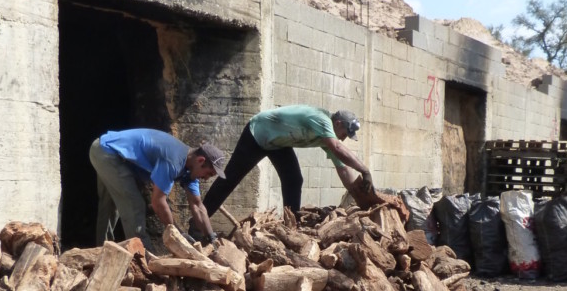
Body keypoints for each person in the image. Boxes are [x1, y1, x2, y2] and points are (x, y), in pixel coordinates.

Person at [201, 105, 374, 217]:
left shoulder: (327, 138)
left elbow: (343, 170)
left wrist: (361, 195)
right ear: (337, 123)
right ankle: (198, 224)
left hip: (279, 143)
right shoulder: (322, 120)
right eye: (344, 134)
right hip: (258, 134)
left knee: (293, 179)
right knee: (230, 178)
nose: (343, 139)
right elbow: (338, 148)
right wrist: (364, 170)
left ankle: (291, 226)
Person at [89, 129, 226, 250]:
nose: (207, 178)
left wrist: (211, 237)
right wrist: (177, 234)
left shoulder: (190, 171)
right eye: (209, 173)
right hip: (107, 153)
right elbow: (158, 202)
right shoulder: (174, 161)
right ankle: (144, 260)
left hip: (112, 153)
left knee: (110, 205)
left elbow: (197, 206)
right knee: (134, 205)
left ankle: (102, 251)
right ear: (201, 160)